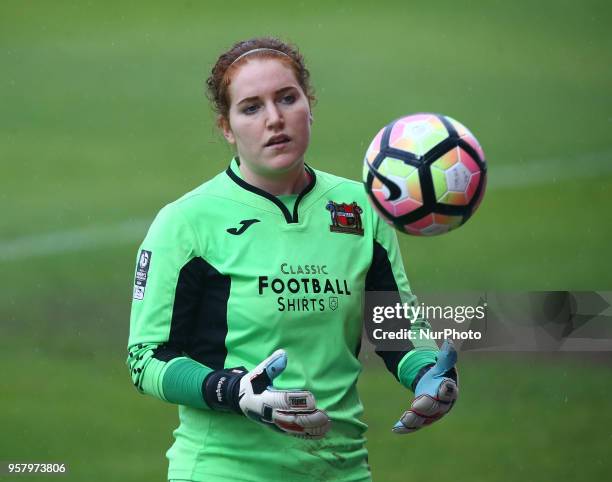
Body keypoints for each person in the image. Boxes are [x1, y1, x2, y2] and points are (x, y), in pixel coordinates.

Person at [127, 37, 458, 482]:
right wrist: (233, 389)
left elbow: (395, 328)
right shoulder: (187, 223)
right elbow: (146, 358)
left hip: (342, 469)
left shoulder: (360, 208)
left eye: (287, 98)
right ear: (226, 128)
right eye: (251, 107)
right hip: (224, 471)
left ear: (310, 104)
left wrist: (427, 376)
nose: (274, 119)